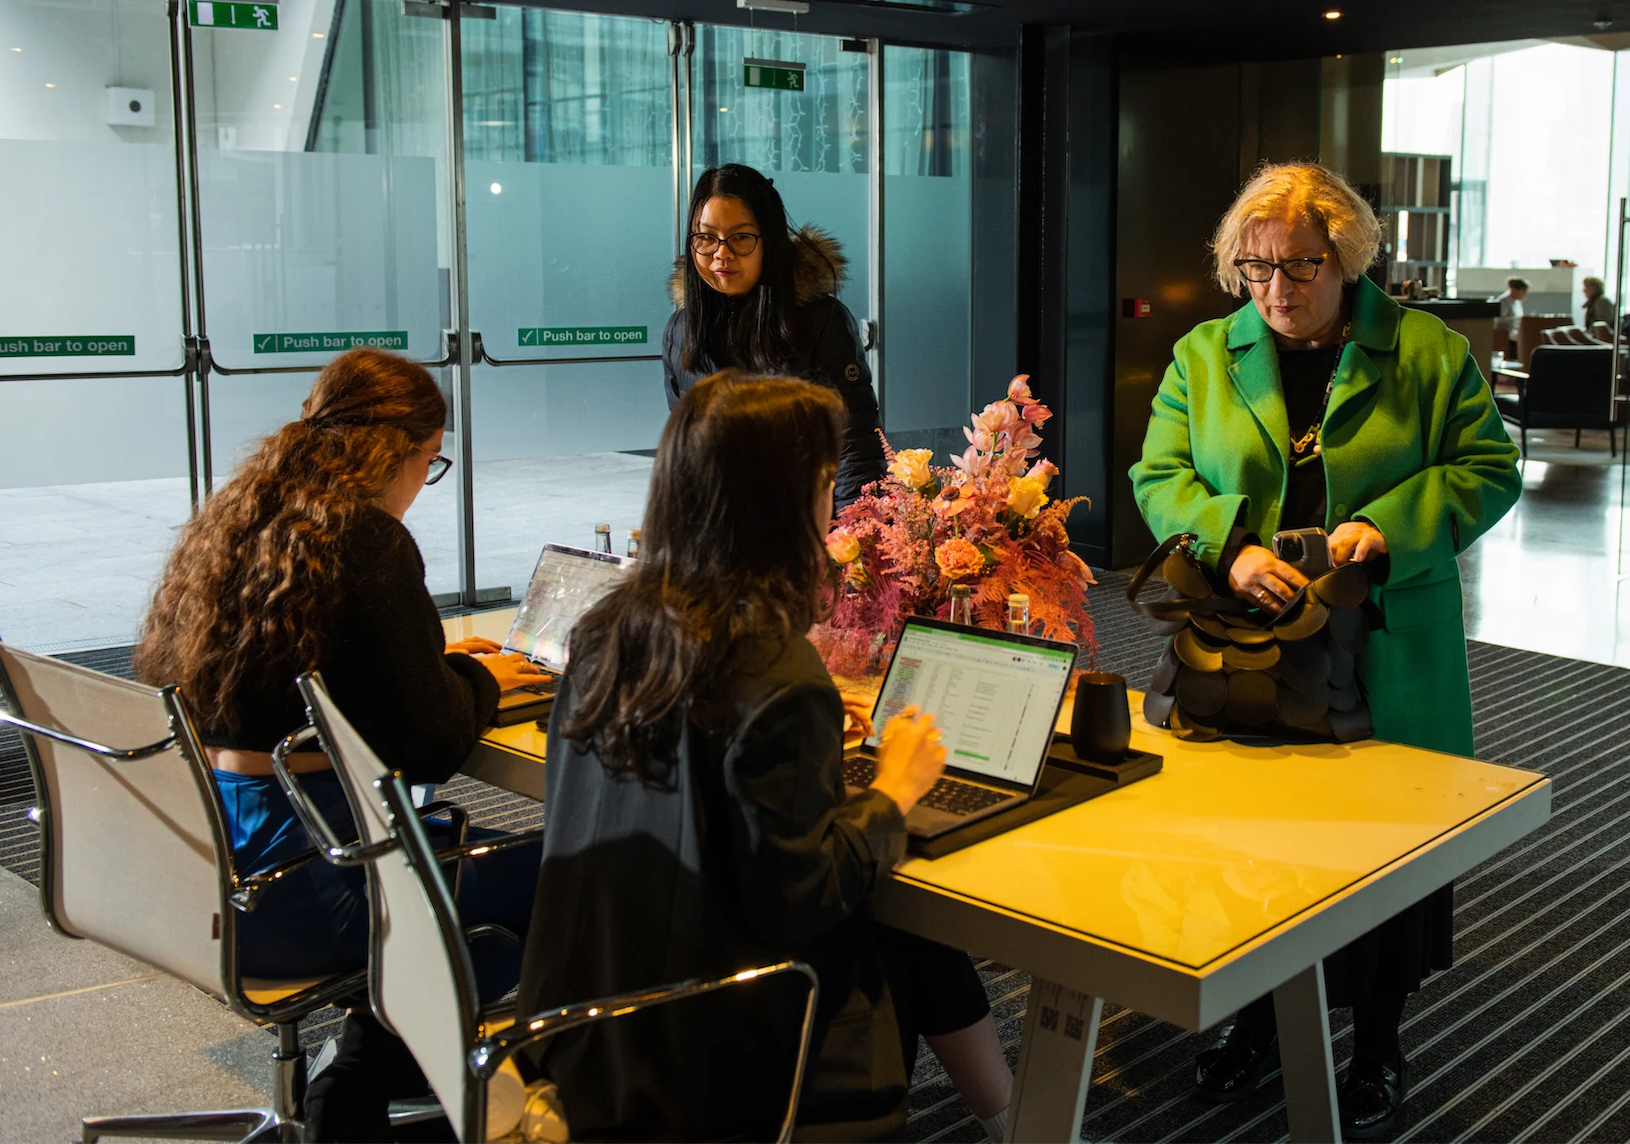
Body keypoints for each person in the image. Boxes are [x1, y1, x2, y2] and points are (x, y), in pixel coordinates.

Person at [517, 370, 1014, 1144]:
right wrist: (894, 787)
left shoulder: (609, 628)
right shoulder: (773, 669)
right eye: (823, 481)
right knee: (904, 924)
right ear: (781, 501)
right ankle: (1019, 1115)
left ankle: (1014, 1116)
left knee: (907, 925)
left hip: (589, 1026)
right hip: (714, 1062)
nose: (832, 503)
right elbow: (805, 895)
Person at [1129, 163, 1521, 1140]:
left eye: (1300, 265)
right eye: (1255, 268)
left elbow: (1490, 469)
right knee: (1256, 851)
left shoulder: (1426, 352)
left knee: (1382, 853)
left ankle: (1379, 1041)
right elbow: (1159, 474)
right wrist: (1229, 544)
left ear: (1346, 257)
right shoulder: (1204, 354)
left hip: (1382, 643)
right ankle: (1258, 1023)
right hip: (1250, 647)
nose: (1276, 288)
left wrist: (1388, 526)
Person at [134, 347, 550, 1144]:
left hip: (210, 859)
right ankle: (406, 1070)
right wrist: (482, 678)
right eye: (431, 462)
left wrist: (435, 668)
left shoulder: (244, 519)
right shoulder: (367, 539)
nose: (423, 483)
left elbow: (315, 684)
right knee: (567, 871)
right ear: (398, 451)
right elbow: (430, 743)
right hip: (310, 878)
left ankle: (362, 1073)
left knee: (478, 856)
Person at [664, 163, 884, 511]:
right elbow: (685, 456)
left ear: (770, 240)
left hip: (804, 529)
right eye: (706, 237)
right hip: (718, 531)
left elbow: (855, 446)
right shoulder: (681, 330)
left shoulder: (819, 322)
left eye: (740, 237)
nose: (722, 253)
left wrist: (855, 535)